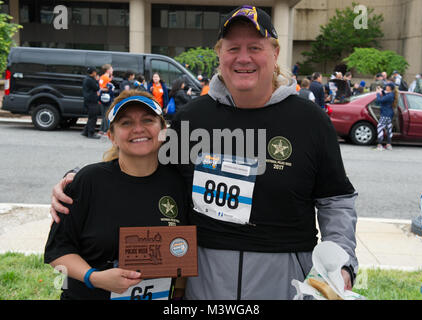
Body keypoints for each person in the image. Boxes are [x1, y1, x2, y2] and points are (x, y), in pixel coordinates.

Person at [50, 5, 358, 300]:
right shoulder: (193, 118)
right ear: (220, 54)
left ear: (275, 52)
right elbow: (141, 161)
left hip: (284, 277)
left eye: (255, 47)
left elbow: (337, 200)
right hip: (204, 280)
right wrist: (77, 180)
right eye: (233, 48)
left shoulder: (310, 120)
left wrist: (342, 263)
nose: (243, 58)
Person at [44, 90, 189, 300]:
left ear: (163, 130)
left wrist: (180, 292)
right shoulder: (88, 181)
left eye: (148, 120)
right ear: (111, 136)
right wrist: (94, 277)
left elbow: (185, 246)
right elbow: (57, 250)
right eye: (126, 123)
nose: (138, 129)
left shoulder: (178, 183)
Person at [375, 83, 398, 151]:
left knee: (379, 127)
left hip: (385, 114)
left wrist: (378, 93)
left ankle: (379, 145)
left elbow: (380, 100)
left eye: (387, 86)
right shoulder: (390, 94)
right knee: (388, 129)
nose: (385, 87)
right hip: (388, 114)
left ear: (390, 88)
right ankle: (388, 144)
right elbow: (385, 96)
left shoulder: (390, 95)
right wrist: (381, 91)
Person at [81, 67, 101, 139]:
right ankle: (91, 133)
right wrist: (97, 80)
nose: (96, 73)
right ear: (92, 73)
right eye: (95, 72)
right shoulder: (90, 80)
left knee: (91, 116)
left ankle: (85, 131)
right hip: (91, 100)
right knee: (93, 117)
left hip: (88, 100)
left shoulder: (87, 78)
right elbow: (97, 88)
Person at [98, 64, 114, 134]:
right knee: (107, 114)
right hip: (107, 98)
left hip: (102, 98)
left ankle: (102, 130)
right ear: (108, 71)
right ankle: (105, 130)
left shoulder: (102, 77)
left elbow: (101, 86)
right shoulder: (106, 78)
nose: (112, 70)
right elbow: (103, 88)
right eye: (111, 69)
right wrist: (111, 88)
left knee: (104, 114)